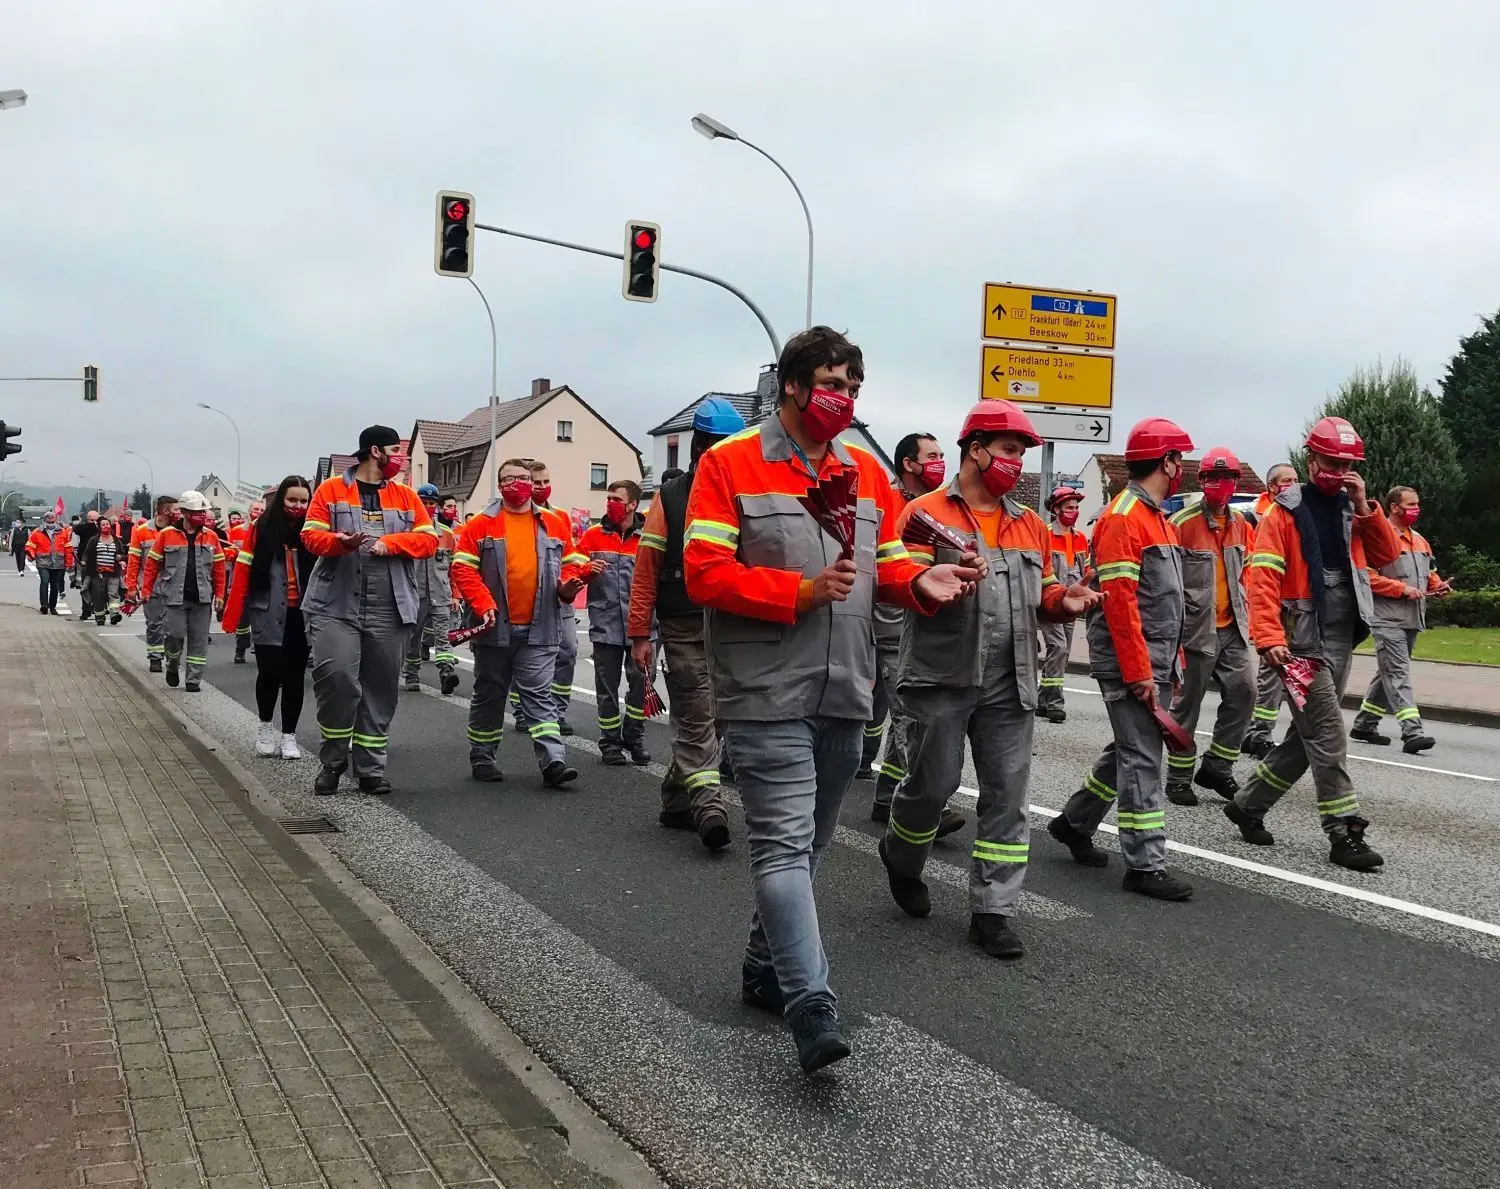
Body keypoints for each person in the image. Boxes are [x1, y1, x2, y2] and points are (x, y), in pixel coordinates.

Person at [684, 325, 978, 1073]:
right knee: (783, 846)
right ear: (791, 383)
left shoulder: (868, 475)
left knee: (810, 848)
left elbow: (894, 559)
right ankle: (811, 1001)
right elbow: (706, 573)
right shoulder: (731, 464)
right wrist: (799, 591)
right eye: (834, 383)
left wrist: (921, 582)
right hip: (764, 689)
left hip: (847, 689)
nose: (844, 398)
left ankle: (764, 964)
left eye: (854, 387)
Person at [880, 401, 1101, 959]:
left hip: (1011, 680)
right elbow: (898, 578)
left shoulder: (1028, 524)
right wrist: (924, 581)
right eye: (1009, 449)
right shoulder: (923, 513)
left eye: (1022, 452)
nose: (1016, 461)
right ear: (975, 449)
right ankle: (902, 856)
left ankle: (993, 910)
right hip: (942, 675)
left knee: (1007, 797)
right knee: (933, 786)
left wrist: (1062, 600)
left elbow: (1044, 593)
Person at [1224, 417, 1400, 871]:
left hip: (1341, 635)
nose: (1338, 470)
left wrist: (1365, 505)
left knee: (1307, 738)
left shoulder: (1351, 508)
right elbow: (1261, 579)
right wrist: (1268, 637)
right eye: (1331, 461)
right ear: (1312, 459)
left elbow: (1387, 556)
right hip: (1300, 643)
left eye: (1347, 463)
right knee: (1327, 732)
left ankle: (1247, 804)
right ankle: (1344, 832)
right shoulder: (1282, 512)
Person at [1047, 417, 1196, 901]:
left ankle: (1075, 822)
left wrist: (1173, 659)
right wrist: (1138, 673)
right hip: (1133, 664)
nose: (1183, 468)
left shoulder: (1159, 520)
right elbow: (1120, 601)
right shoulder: (1123, 517)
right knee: (1142, 757)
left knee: (1132, 749)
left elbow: (1166, 601)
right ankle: (1145, 863)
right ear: (1168, 460)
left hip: (1156, 660)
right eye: (1180, 458)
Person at [629, 396, 744, 852]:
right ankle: (709, 806)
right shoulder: (671, 497)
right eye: (717, 443)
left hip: (734, 625)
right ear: (699, 445)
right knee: (697, 717)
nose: (724, 450)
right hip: (684, 627)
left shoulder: (745, 494)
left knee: (718, 721)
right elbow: (647, 568)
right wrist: (640, 632)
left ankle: (677, 798)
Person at [300, 426, 438, 796]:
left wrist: (391, 544)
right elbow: (310, 535)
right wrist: (338, 542)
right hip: (335, 602)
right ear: (374, 451)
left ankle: (370, 769)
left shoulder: (407, 496)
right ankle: (332, 760)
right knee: (337, 680)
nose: (401, 460)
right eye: (396, 451)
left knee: (380, 688)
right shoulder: (330, 491)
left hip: (389, 605)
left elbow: (428, 540)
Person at [450, 457, 584, 787]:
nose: (520, 483)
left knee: (539, 695)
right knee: (490, 692)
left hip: (540, 626)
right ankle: (482, 756)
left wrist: (568, 586)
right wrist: (483, 603)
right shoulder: (480, 524)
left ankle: (554, 761)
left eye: (525, 477)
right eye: (511, 478)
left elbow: (570, 564)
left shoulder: (554, 523)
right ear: (500, 484)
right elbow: (463, 570)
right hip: (495, 628)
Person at [865, 432, 967, 838]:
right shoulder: (887, 503)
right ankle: (923, 803)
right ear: (909, 463)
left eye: (943, 455)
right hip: (884, 624)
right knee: (906, 716)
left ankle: (889, 797)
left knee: (905, 715)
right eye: (933, 456)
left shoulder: (937, 508)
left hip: (914, 625)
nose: (941, 462)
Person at [1164, 447, 1256, 806]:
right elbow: (1165, 581)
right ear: (1201, 480)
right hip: (1194, 630)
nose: (1223, 484)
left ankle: (1218, 765)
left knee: (1246, 691)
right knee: (1188, 705)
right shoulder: (1180, 524)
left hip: (1232, 626)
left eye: (1230, 477)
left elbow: (1245, 574)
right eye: (1215, 477)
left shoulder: (1241, 525)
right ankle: (1179, 776)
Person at [1349, 485, 1449, 753]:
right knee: (1398, 673)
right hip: (1386, 618)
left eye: (1417, 503)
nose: (1416, 509)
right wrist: (1401, 589)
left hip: (1413, 619)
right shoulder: (1379, 538)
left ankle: (1364, 724)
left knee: (1388, 673)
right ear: (1394, 507)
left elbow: (1430, 572)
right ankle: (1412, 732)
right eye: (1411, 504)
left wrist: (1437, 586)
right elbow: (1366, 576)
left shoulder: (1419, 540)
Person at [222, 477, 315, 760]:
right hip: (267, 610)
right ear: (280, 501)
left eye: (303, 501)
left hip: (301, 614)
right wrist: (232, 615)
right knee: (270, 673)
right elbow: (242, 575)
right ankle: (265, 726)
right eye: (292, 500)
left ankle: (289, 735)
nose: (298, 506)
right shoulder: (259, 531)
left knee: (295, 676)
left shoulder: (312, 531)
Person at [578, 480, 653, 766]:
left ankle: (634, 738)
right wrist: (585, 571)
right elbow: (571, 567)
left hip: (643, 628)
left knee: (640, 684)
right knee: (606, 687)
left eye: (616, 498)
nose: (610, 502)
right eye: (608, 497)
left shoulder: (649, 535)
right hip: (606, 623)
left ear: (632, 503)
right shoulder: (593, 535)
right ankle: (610, 743)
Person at [141, 491, 226, 692]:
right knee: (174, 636)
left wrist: (220, 594)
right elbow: (152, 565)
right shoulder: (166, 535)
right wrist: (146, 589)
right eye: (198, 512)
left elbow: (219, 568)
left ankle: (193, 680)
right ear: (186, 513)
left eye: (204, 512)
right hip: (174, 598)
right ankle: (171, 664)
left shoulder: (211, 537)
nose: (202, 516)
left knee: (199, 640)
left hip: (202, 598)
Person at [1243, 462, 1300, 758]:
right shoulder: (1260, 517)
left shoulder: (1297, 513)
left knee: (1280, 675)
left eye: (1295, 480)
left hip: (1293, 608)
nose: (1292, 485)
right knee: (1271, 675)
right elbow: (1258, 573)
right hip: (1272, 607)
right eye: (1285, 481)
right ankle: (1258, 734)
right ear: (1272, 488)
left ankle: (1256, 731)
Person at [527, 461, 579, 735]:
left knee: (568, 651)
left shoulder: (559, 517)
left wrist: (571, 579)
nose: (543, 488)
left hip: (559, 598)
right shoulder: (514, 516)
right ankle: (527, 709)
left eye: (546, 482)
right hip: (527, 599)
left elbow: (570, 556)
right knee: (528, 656)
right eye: (537, 483)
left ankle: (558, 711)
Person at [1036, 485, 1090, 723]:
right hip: (1050, 602)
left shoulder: (1080, 538)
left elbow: (1084, 570)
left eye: (1076, 507)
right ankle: (1055, 702)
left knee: (1062, 652)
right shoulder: (1045, 534)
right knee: (1057, 647)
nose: (1074, 511)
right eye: (1069, 507)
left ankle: (1043, 700)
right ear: (1056, 509)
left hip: (1071, 604)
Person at [402, 483, 461, 697]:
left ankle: (446, 673)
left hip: (441, 594)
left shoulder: (446, 534)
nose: (428, 506)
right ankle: (411, 674)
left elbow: (455, 567)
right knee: (413, 637)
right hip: (414, 595)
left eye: (432, 503)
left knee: (444, 636)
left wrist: (456, 594)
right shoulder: (408, 532)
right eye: (424, 502)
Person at [126, 496, 179, 672]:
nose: (179, 513)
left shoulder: (178, 531)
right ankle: (155, 657)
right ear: (165, 511)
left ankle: (172, 656)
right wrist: (132, 587)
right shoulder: (141, 531)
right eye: (176, 509)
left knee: (173, 626)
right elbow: (134, 561)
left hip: (174, 585)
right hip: (151, 586)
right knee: (154, 623)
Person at [79, 518, 124, 626]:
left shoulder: (116, 540)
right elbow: (87, 553)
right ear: (99, 527)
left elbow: (123, 553)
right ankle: (99, 616)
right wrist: (84, 561)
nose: (105, 526)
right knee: (98, 595)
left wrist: (121, 557)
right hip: (97, 573)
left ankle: (114, 615)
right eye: (103, 525)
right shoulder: (94, 540)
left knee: (113, 593)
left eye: (107, 524)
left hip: (113, 572)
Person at [27, 510, 74, 614]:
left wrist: (69, 563)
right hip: (43, 562)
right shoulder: (37, 532)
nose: (51, 523)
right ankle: (44, 605)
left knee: (55, 586)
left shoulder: (63, 532)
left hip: (58, 562)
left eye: (53, 521)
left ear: (56, 521)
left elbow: (68, 549)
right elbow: (30, 546)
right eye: (49, 521)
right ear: (44, 521)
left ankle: (52, 607)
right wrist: (31, 555)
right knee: (44, 581)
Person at [223, 509, 254, 663]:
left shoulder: (269, 529)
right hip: (242, 579)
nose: (258, 512)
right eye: (256, 509)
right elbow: (227, 554)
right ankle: (240, 649)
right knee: (242, 618)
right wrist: (235, 553)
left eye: (262, 510)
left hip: (262, 580)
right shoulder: (236, 531)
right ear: (249, 512)